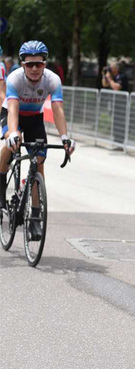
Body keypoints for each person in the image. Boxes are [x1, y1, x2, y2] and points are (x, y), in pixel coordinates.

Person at [0, 40, 75, 238]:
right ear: (22, 65)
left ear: (45, 64)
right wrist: (14, 133)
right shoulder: (15, 79)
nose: (34, 68)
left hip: (34, 119)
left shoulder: (52, 80)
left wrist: (65, 138)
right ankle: (1, 180)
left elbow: (58, 109)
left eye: (39, 64)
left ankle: (34, 216)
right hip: (11, 113)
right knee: (11, 140)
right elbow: (13, 108)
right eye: (29, 64)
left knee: (39, 163)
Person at [101, 62, 129, 149]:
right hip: (115, 103)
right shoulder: (113, 77)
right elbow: (104, 84)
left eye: (111, 67)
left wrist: (109, 79)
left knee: (120, 123)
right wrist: (104, 75)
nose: (110, 69)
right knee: (115, 123)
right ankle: (116, 142)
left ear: (116, 69)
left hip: (121, 104)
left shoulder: (122, 77)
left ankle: (120, 144)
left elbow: (116, 87)